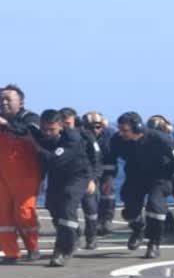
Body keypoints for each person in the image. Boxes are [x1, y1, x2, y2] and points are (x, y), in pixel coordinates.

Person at [102, 111, 174, 260]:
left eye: (125, 130)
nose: (121, 133)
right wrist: (108, 179)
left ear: (137, 128)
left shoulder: (160, 139)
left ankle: (154, 244)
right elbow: (110, 160)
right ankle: (138, 229)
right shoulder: (117, 140)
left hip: (161, 177)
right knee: (130, 211)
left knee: (155, 208)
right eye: (120, 129)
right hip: (135, 177)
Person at [0, 85, 43, 262]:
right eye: (1, 99)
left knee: (24, 212)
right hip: (4, 174)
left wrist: (6, 125)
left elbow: (29, 133)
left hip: (28, 173)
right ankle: (10, 253)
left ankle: (32, 247)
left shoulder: (30, 118)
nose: (4, 103)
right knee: (1, 215)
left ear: (21, 101)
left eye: (8, 99)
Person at [31, 110, 95, 266]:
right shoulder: (42, 135)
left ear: (61, 126)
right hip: (56, 177)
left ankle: (63, 249)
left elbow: (53, 159)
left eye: (51, 129)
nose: (47, 133)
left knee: (67, 207)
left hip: (77, 177)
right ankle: (72, 234)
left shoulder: (72, 138)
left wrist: (35, 145)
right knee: (53, 208)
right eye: (44, 129)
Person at [65, 108, 104, 249]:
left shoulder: (87, 136)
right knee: (69, 210)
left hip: (87, 177)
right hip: (69, 178)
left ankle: (91, 236)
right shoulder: (60, 136)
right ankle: (74, 237)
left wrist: (93, 179)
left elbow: (96, 158)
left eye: (67, 122)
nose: (65, 125)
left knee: (91, 208)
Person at [83, 111, 118, 236]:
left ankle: (106, 220)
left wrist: (109, 177)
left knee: (107, 192)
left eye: (98, 127)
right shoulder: (81, 136)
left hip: (107, 167)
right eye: (90, 127)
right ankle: (94, 223)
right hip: (90, 170)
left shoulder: (111, 135)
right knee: (90, 195)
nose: (94, 130)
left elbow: (113, 157)